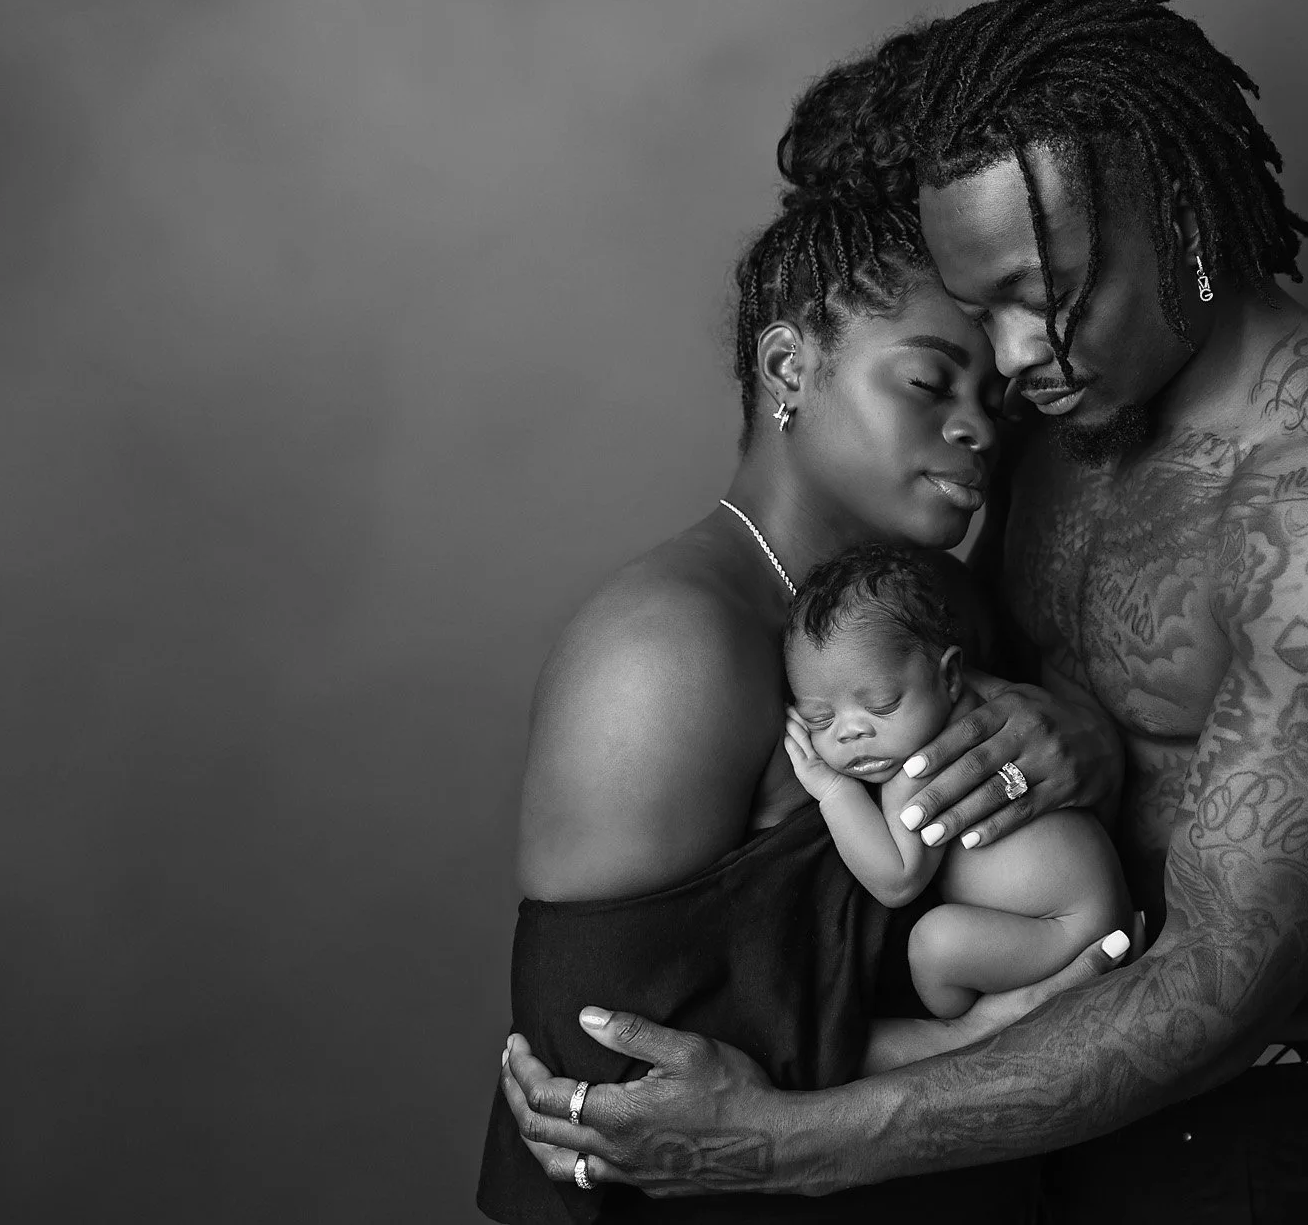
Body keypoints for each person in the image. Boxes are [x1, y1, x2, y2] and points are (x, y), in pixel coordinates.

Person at [502, 0, 1308, 1221]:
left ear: (1178, 218)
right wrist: (1075, 732)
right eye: (979, 312)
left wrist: (788, 1138)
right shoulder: (1058, 400)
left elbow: (1221, 989)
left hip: (1248, 1135)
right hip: (995, 1119)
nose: (1011, 361)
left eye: (1043, 298)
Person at [478, 131, 1134, 1224]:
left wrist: (1084, 748)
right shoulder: (663, 653)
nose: (978, 423)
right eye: (931, 380)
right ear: (789, 368)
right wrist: (955, 1045)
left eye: (995, 395)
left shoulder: (935, 608)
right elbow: (598, 1078)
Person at [781, 544, 1132, 1018]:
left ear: (949, 676)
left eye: (882, 705)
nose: (850, 732)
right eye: (819, 720)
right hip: (1089, 913)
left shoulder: (924, 765)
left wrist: (831, 789)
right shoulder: (970, 702)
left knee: (932, 943)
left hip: (1065, 931)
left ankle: (973, 1027)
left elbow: (897, 881)